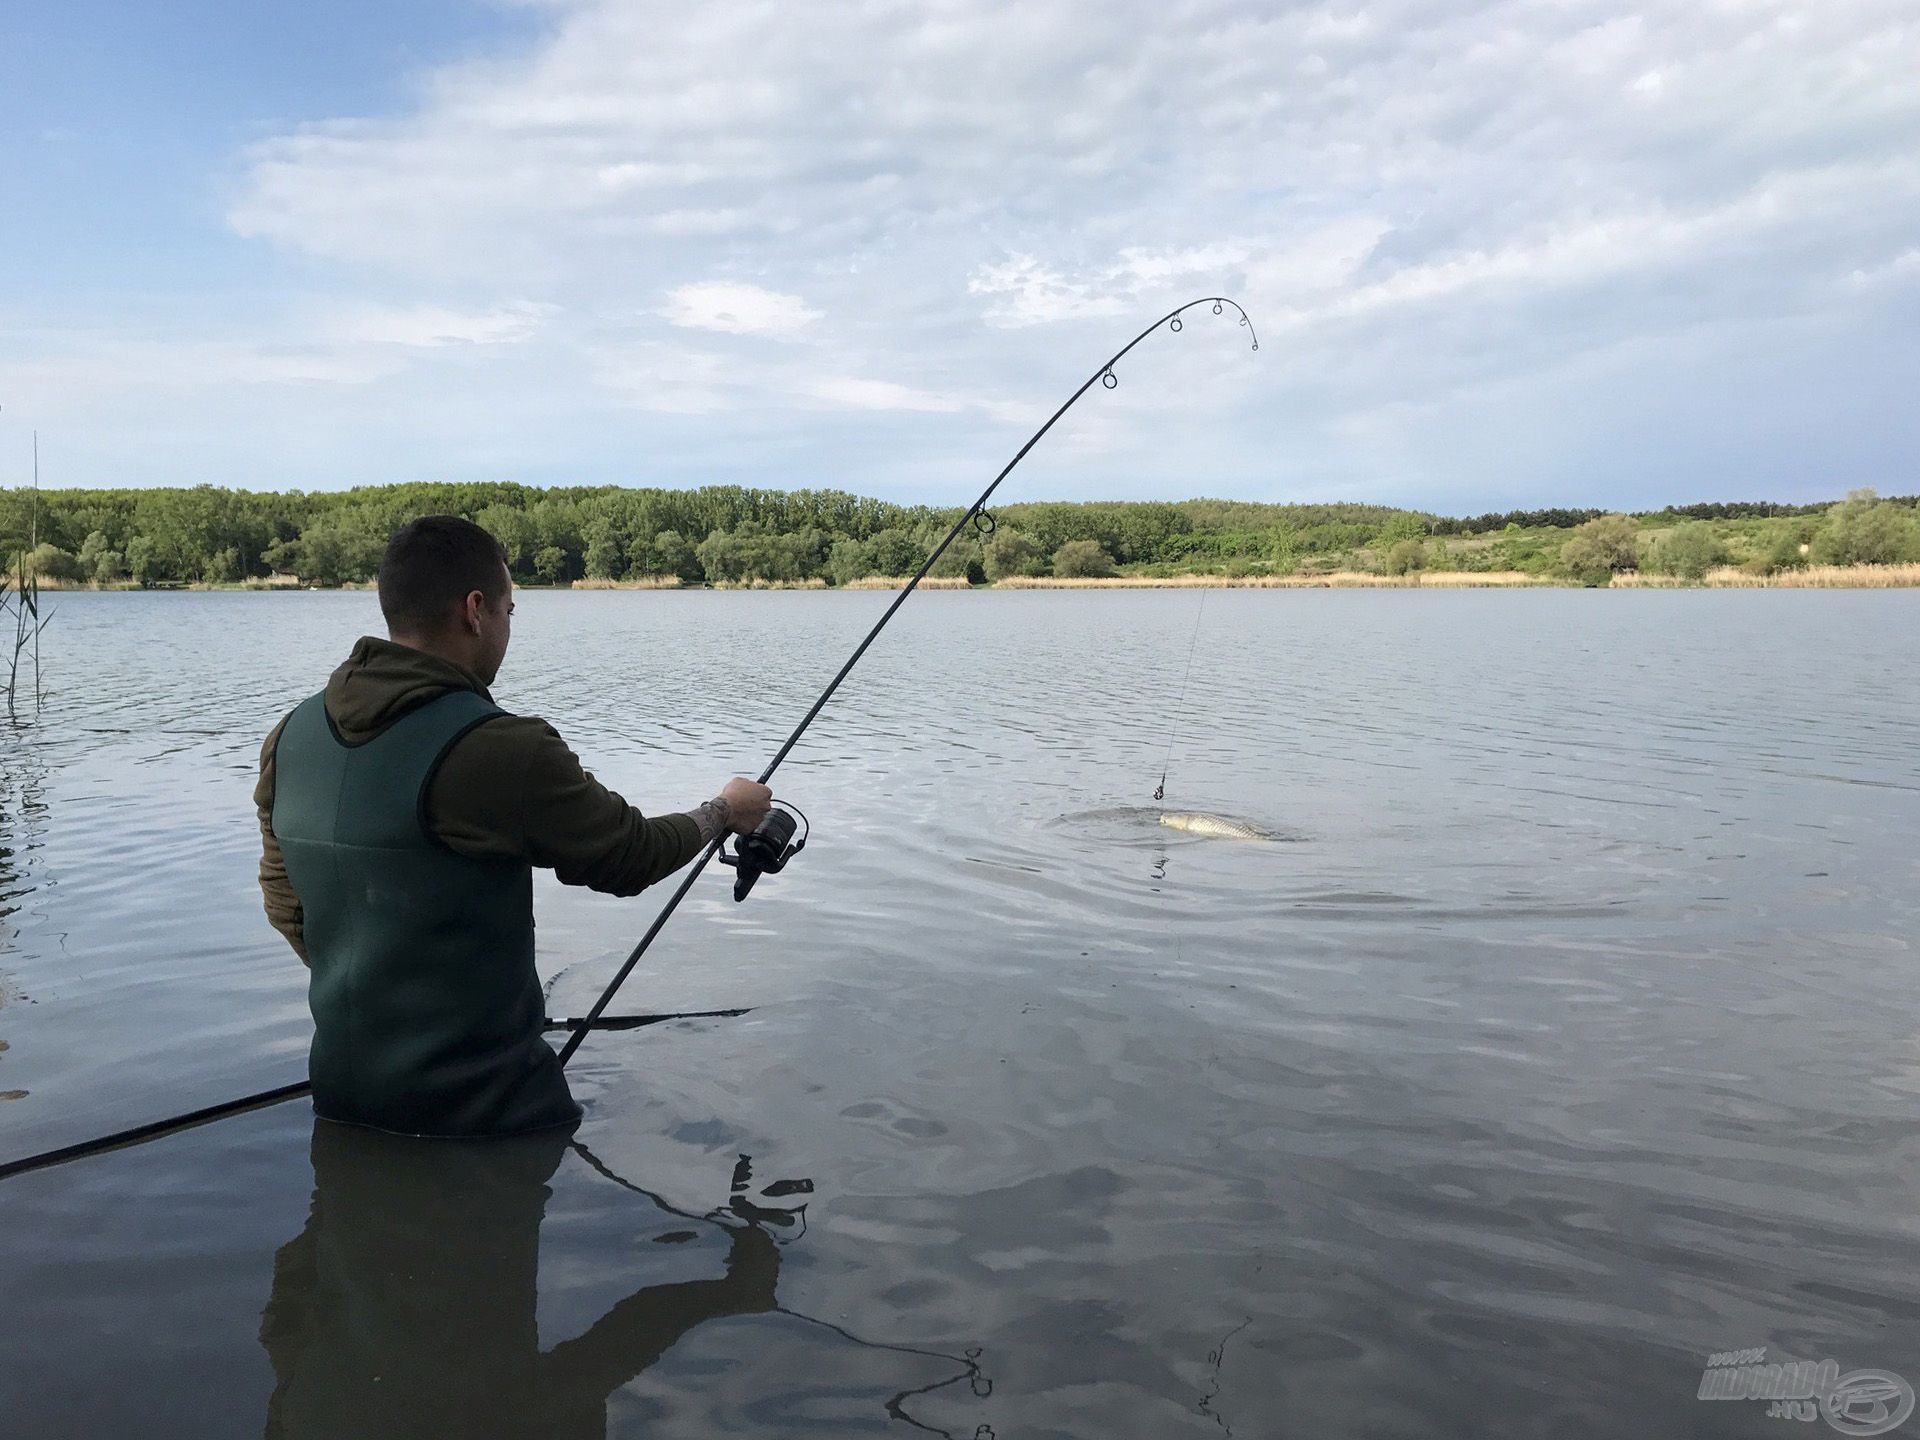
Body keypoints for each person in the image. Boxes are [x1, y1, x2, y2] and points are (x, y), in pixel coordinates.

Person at [254, 515, 771, 1136]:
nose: (506, 627)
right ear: (476, 611)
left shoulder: (289, 738)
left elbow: (285, 903)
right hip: (490, 1110)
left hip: (342, 1092)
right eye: (509, 610)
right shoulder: (501, 747)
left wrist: (385, 1004)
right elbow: (629, 855)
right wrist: (724, 811)